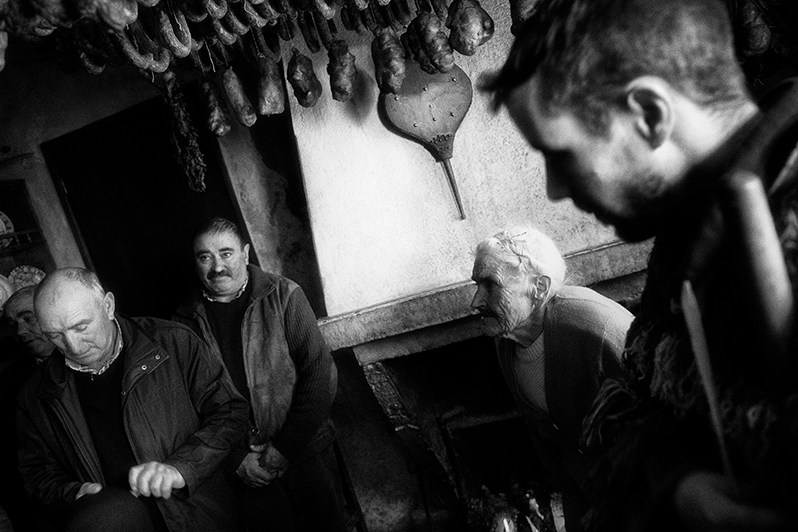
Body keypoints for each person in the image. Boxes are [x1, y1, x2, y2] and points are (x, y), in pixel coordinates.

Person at [485, 0, 798, 530]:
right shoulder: (688, 244)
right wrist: (683, 488)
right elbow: (630, 415)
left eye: (561, 154)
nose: (555, 190)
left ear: (650, 114)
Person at [16, 268, 248, 531]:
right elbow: (36, 475)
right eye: (54, 335)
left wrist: (181, 468)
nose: (73, 346)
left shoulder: (173, 343)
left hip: (201, 517)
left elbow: (230, 412)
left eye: (81, 327)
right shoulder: (34, 395)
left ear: (107, 305)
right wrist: (72, 494)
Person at [172, 217, 345, 532]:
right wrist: (237, 458)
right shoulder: (182, 324)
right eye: (204, 256)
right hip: (239, 465)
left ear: (245, 253)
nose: (217, 266)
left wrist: (284, 448)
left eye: (226, 253)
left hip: (301, 447)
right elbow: (186, 405)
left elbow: (319, 373)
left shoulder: (284, 295)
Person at [471, 226, 632, 532]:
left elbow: (667, 411)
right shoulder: (506, 338)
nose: (475, 301)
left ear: (539, 288)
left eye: (490, 285)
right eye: (477, 285)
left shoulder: (595, 326)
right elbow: (545, 433)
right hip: (585, 493)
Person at [1, 286, 55, 532]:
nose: (20, 331)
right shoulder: (9, 382)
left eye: (28, 318)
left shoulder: (86, 359)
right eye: (13, 324)